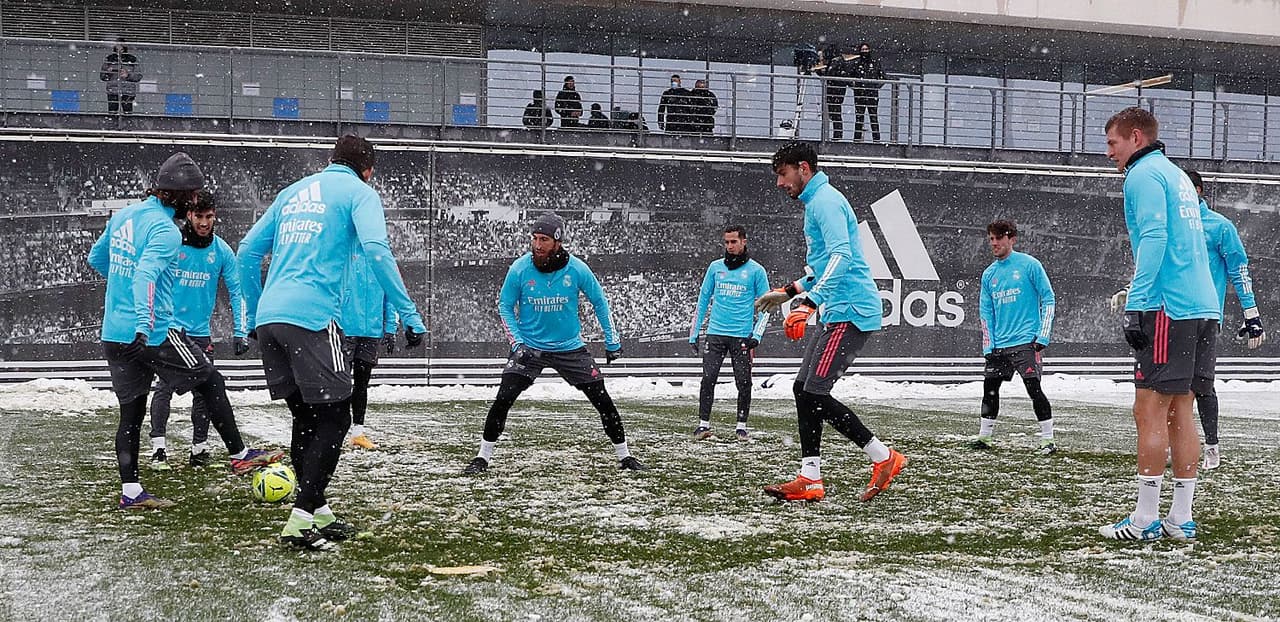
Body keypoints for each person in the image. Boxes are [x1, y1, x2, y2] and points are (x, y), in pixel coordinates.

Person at [238, 134, 427, 550]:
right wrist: (409, 314)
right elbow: (377, 250)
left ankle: (317, 509)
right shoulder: (360, 193)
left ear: (331, 161)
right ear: (369, 170)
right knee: (336, 419)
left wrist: (254, 312)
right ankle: (300, 520)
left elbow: (248, 251)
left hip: (271, 320)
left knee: (307, 419)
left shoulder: (294, 192)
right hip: (313, 317)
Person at [87, 152, 283, 510]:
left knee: (131, 412)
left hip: (114, 333)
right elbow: (146, 275)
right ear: (179, 195)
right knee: (210, 379)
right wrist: (145, 321)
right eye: (193, 197)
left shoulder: (125, 216)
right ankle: (239, 454)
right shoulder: (165, 230)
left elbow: (97, 259)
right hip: (153, 332)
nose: (195, 204)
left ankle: (131, 492)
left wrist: (123, 298)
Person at [754, 142, 907, 502]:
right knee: (803, 390)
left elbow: (841, 257)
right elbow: (826, 265)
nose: (779, 183)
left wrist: (809, 302)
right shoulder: (817, 203)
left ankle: (884, 458)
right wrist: (790, 291)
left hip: (851, 312)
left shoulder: (824, 202)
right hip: (838, 312)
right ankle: (810, 477)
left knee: (814, 392)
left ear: (803, 168)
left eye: (783, 173)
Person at [1098, 107, 1220, 542]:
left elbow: (1154, 237)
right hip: (1202, 305)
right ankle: (1180, 519)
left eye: (1112, 143)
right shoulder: (1178, 176)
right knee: (1181, 409)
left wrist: (1139, 302)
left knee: (1148, 409)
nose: (1108, 152)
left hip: (1169, 306)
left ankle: (1145, 519)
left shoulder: (1143, 175)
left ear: (1135, 137)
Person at [463, 212, 645, 474]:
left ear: (558, 242)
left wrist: (612, 340)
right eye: (535, 238)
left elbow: (600, 302)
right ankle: (482, 458)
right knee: (503, 398)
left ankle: (625, 456)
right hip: (529, 348)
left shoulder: (578, 269)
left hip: (569, 348)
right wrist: (517, 344)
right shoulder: (519, 269)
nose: (537, 245)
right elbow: (504, 306)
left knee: (602, 400)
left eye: (544, 239)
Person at [1110, 168, 1267, 470]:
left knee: (1198, 387)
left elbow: (1239, 270)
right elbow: (1161, 267)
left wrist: (1252, 314)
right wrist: (1132, 290)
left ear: (1195, 191)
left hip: (1199, 314)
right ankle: (1180, 454)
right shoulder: (1174, 226)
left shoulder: (1219, 226)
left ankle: (1210, 446)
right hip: (1176, 313)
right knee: (1178, 391)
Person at [146, 189, 252, 470]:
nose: (204, 223)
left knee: (205, 393)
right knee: (164, 388)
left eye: (209, 217)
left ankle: (199, 449)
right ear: (188, 216)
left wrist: (240, 331)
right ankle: (158, 449)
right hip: (169, 330)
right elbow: (150, 277)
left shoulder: (221, 251)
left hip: (200, 333)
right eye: (199, 216)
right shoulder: (172, 244)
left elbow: (237, 291)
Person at [971, 219, 1057, 454]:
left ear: (1012, 239)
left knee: (1033, 389)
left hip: (1025, 342)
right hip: (999, 345)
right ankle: (984, 438)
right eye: (991, 239)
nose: (994, 243)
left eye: (999, 238)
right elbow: (985, 312)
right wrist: (989, 344)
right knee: (990, 390)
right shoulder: (989, 275)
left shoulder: (1029, 265)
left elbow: (1048, 299)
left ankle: (1048, 440)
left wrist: (1043, 335)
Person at [688, 225, 770, 440]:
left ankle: (741, 427)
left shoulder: (756, 271)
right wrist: (694, 332)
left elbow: (767, 306)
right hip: (715, 334)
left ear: (744, 241)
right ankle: (703, 425)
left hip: (741, 336)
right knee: (708, 379)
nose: (730, 246)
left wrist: (757, 335)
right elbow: (703, 299)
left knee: (743, 382)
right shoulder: (715, 268)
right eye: (726, 242)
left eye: (734, 242)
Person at [340, 245, 399, 451]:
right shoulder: (343, 250)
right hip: (344, 330)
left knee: (361, 385)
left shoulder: (380, 256)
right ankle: (336, 431)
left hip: (371, 332)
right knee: (340, 384)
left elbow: (391, 296)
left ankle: (357, 433)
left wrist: (390, 328)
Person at [815, 45, 853, 140]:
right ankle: (837, 135)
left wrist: (820, 70)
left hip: (835, 91)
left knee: (835, 114)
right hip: (836, 91)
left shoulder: (836, 62)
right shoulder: (837, 61)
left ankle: (837, 135)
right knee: (834, 113)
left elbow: (829, 75)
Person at [850, 42, 886, 142]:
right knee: (859, 118)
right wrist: (855, 86)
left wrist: (875, 87)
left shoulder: (875, 63)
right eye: (863, 49)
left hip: (872, 94)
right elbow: (849, 77)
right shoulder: (856, 63)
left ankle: (876, 139)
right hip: (859, 95)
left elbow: (883, 77)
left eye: (866, 49)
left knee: (873, 117)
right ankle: (856, 139)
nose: (865, 51)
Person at [100, 43, 141, 114]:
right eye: (117, 49)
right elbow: (102, 76)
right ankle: (116, 123)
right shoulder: (109, 59)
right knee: (113, 113)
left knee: (127, 113)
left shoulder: (132, 59)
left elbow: (138, 76)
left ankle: (125, 123)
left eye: (121, 49)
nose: (119, 51)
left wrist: (128, 75)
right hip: (114, 90)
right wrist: (108, 73)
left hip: (126, 90)